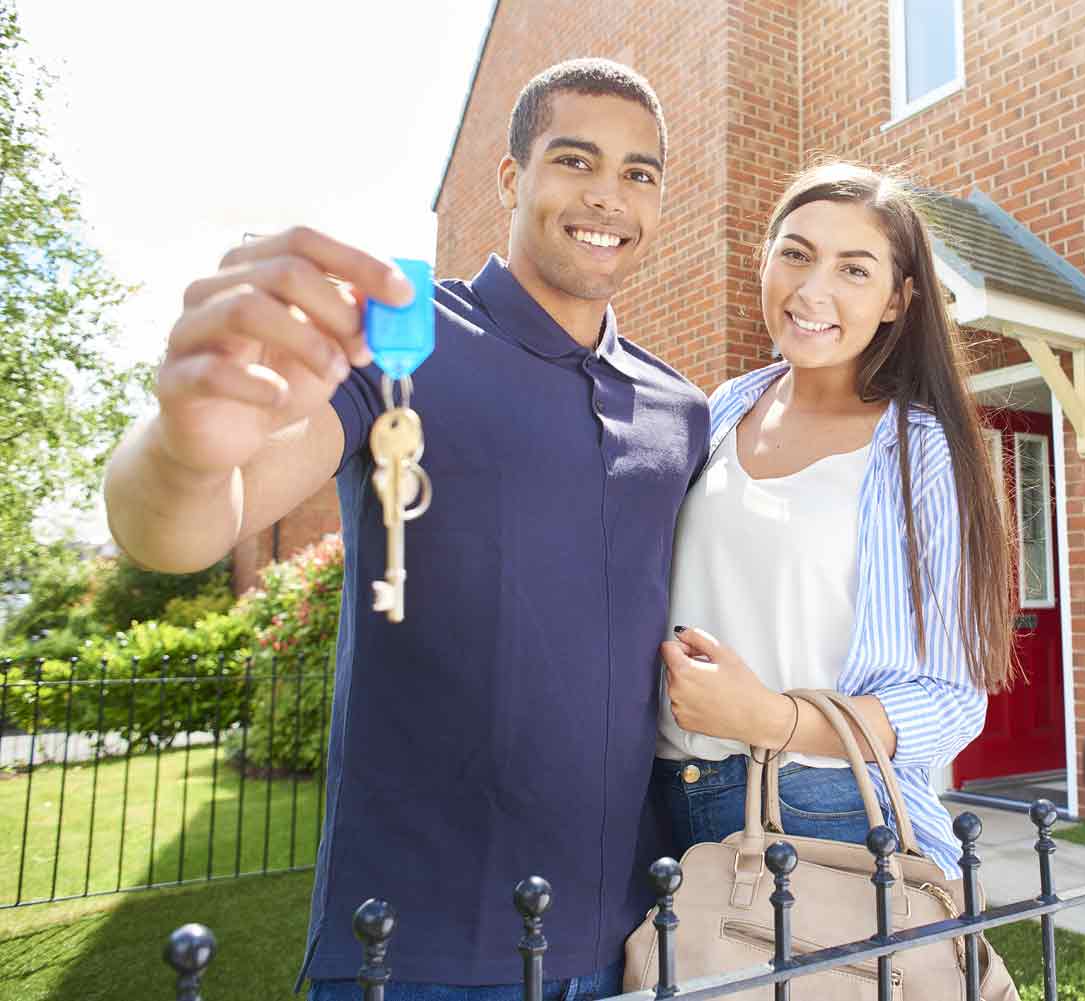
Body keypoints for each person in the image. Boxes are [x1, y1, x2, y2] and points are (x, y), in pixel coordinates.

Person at [103, 59, 708, 1000]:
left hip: (632, 930)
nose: (608, 196)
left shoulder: (682, 407)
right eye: (575, 160)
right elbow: (182, 530)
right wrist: (187, 448)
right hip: (414, 944)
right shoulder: (400, 339)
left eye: (639, 173)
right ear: (511, 179)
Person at [653, 162, 1016, 879]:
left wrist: (771, 717)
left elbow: (949, 702)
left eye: (855, 270)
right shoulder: (721, 409)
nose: (813, 289)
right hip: (666, 799)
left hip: (826, 809)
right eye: (796, 253)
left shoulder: (923, 453)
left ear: (896, 300)